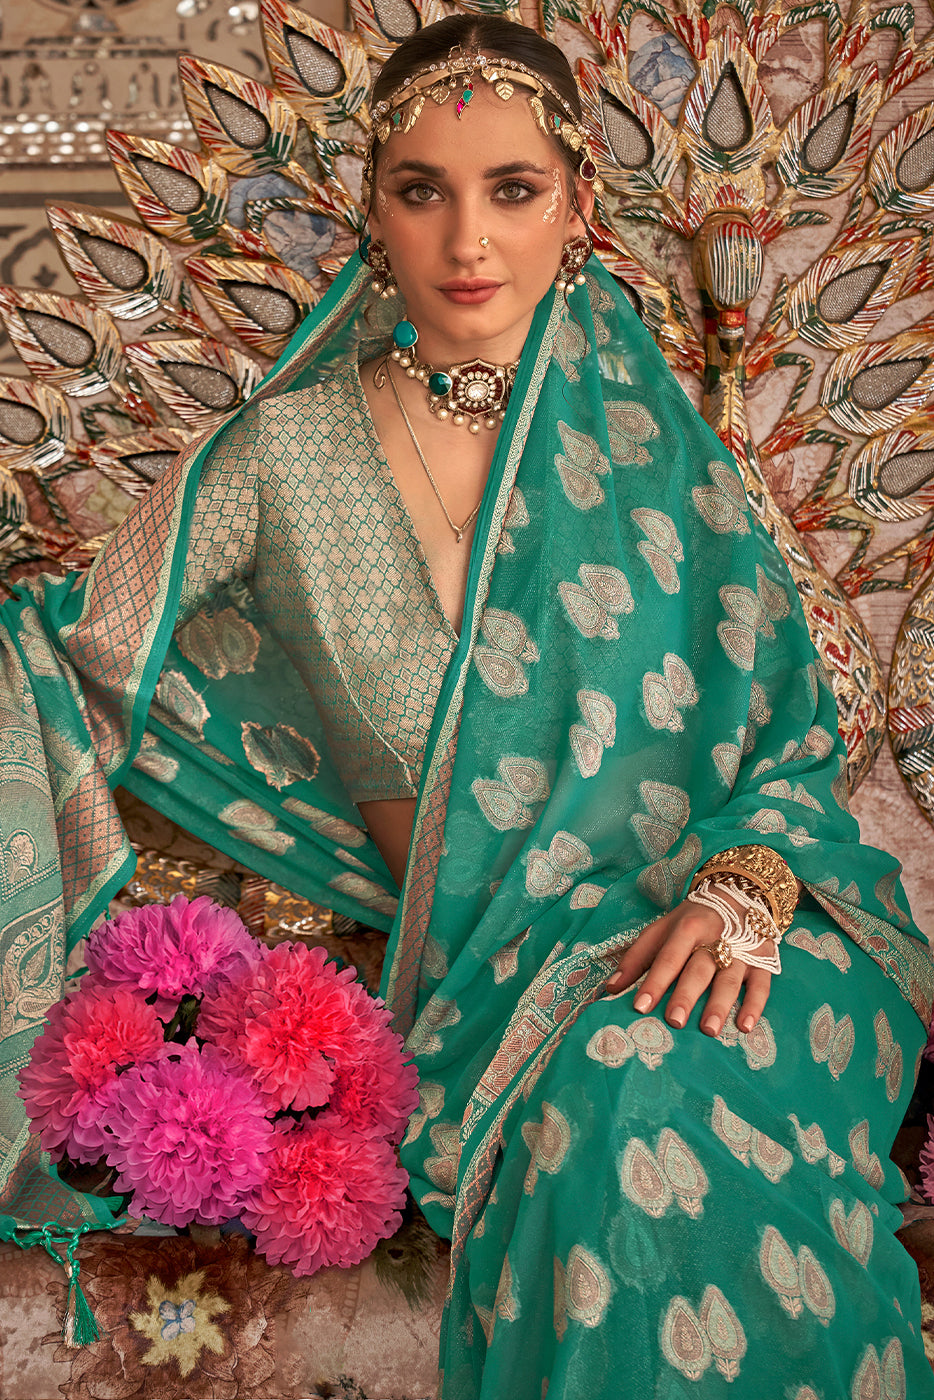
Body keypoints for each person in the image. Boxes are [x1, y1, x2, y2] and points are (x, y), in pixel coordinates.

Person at [2, 13, 933, 1397]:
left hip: (745, 936)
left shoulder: (657, 446)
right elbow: (63, 650)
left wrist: (743, 891)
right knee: (617, 1092)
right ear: (371, 213)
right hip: (515, 982)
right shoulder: (286, 458)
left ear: (577, 207)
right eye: (421, 190)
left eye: (512, 189)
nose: (467, 240)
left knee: (656, 1067)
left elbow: (793, 740)